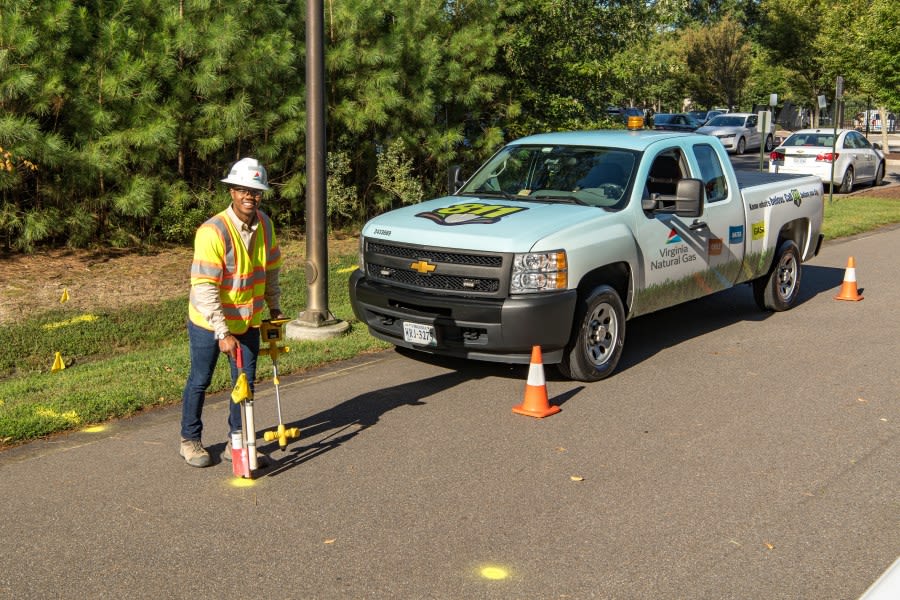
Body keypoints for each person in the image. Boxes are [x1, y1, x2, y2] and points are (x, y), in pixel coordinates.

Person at [179, 157, 285, 467]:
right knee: (200, 380)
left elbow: (272, 269)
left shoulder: (265, 225)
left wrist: (275, 306)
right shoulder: (213, 231)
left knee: (245, 383)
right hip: (208, 322)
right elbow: (205, 286)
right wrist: (221, 333)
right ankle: (190, 440)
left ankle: (237, 443)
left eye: (255, 192)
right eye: (243, 190)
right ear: (232, 192)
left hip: (248, 320)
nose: (249, 197)